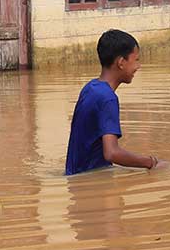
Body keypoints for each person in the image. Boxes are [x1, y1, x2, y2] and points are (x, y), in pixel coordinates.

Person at [65, 29, 162, 175]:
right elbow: (111, 153)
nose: (138, 66)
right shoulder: (108, 98)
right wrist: (152, 162)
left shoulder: (90, 88)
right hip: (92, 183)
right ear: (121, 63)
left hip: (76, 175)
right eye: (136, 60)